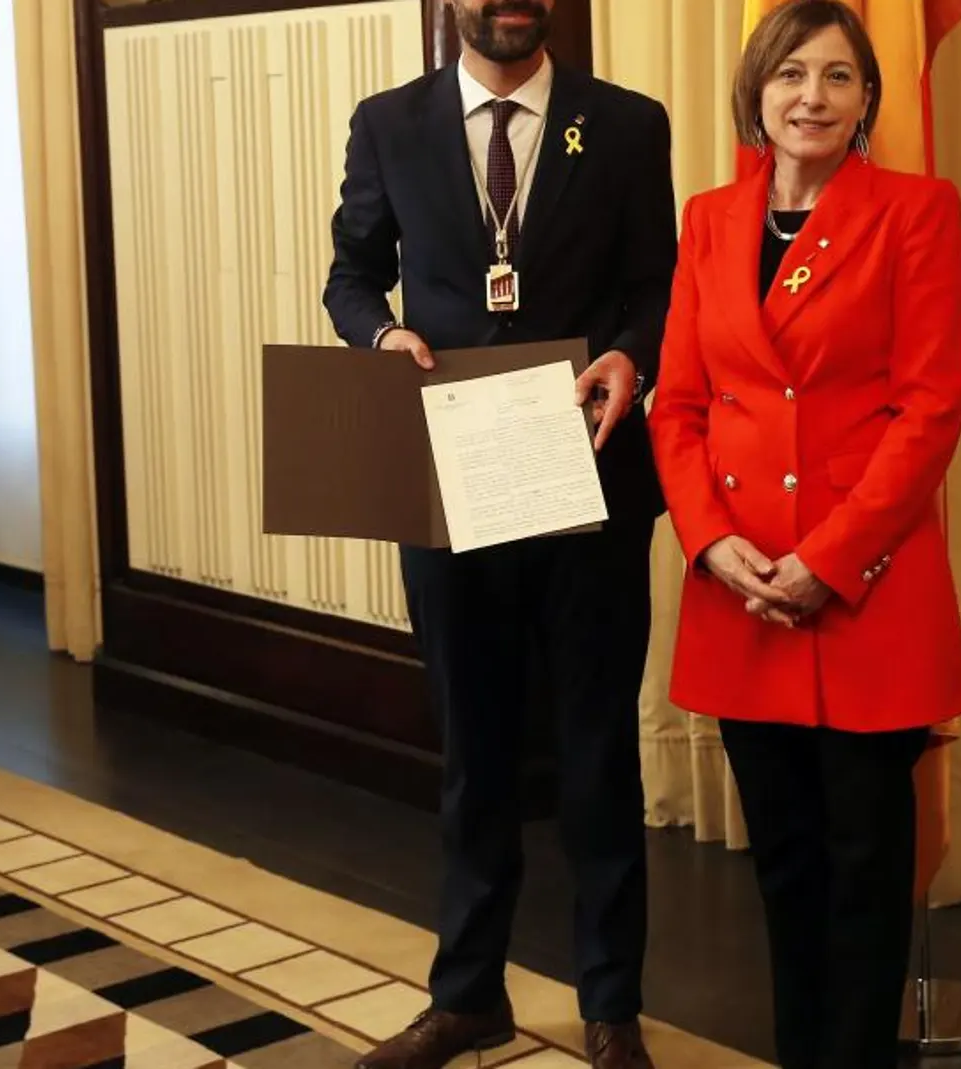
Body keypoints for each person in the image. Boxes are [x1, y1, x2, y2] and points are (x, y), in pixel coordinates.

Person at [322, 1, 675, 1066]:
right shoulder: (388, 123)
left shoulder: (625, 123)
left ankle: (611, 1004)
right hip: (453, 477)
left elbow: (657, 283)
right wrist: (378, 332)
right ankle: (468, 991)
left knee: (596, 749)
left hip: (589, 468)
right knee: (472, 749)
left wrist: (632, 355)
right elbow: (350, 275)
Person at [647, 3, 961, 1066]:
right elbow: (679, 406)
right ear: (758, 91)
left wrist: (826, 560)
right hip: (740, 589)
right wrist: (706, 540)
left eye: (838, 78)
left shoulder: (915, 211)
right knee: (784, 867)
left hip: (862, 591)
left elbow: (930, 411)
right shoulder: (707, 219)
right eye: (791, 74)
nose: (812, 98)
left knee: (866, 876)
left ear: (867, 101)